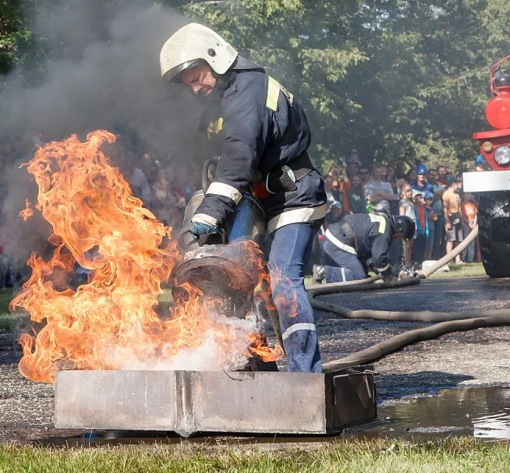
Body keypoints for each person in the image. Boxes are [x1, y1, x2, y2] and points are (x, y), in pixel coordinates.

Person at [160, 22, 327, 373]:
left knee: (282, 280)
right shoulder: (220, 101)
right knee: (235, 282)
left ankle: (304, 377)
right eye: (187, 82)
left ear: (214, 57)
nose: (193, 86)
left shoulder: (249, 90)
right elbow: (212, 160)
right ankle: (255, 371)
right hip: (252, 203)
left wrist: (212, 209)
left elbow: (239, 156)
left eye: (195, 76)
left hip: (292, 195)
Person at [313, 212, 415, 283]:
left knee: (364, 276)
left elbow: (368, 256)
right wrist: (388, 275)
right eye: (400, 236)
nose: (397, 239)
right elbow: (379, 258)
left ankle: (329, 272)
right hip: (340, 239)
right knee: (359, 277)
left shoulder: (382, 223)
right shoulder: (385, 230)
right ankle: (324, 272)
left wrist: (383, 272)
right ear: (399, 229)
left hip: (337, 237)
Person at [441, 176, 463, 263]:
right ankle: (449, 259)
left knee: (458, 239)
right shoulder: (446, 194)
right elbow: (445, 208)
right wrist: (447, 221)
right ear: (453, 184)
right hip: (450, 217)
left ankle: (458, 259)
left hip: (458, 216)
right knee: (450, 239)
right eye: (456, 183)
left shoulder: (457, 194)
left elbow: (459, 207)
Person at [398, 185, 416, 268]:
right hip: (407, 226)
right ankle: (405, 263)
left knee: (410, 246)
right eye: (408, 191)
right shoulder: (403, 202)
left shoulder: (410, 202)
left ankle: (409, 263)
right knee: (406, 245)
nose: (410, 193)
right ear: (403, 192)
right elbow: (402, 215)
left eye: (411, 191)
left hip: (413, 224)